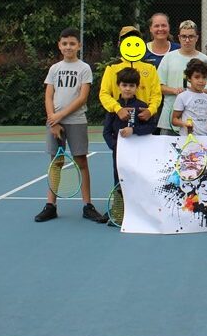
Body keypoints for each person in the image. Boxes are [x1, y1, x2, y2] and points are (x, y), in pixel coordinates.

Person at [35, 28, 101, 223]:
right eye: (64, 44)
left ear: (79, 46)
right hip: (54, 122)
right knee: (56, 162)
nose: (68, 47)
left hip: (76, 121)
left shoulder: (84, 68)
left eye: (72, 43)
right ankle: (50, 205)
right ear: (59, 45)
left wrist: (60, 116)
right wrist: (52, 120)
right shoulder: (54, 68)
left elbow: (82, 98)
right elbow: (48, 96)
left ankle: (87, 206)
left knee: (81, 162)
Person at [97, 66, 156, 224]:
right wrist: (116, 147)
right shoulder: (114, 107)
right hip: (119, 154)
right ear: (118, 86)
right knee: (119, 180)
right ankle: (118, 211)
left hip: (138, 153)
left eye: (131, 85)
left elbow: (151, 127)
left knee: (137, 180)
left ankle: (138, 212)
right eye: (124, 85)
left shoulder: (143, 106)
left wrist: (134, 130)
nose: (128, 89)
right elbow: (106, 132)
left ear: (137, 87)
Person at [99, 25, 162, 136]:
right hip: (120, 117)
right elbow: (104, 94)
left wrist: (150, 110)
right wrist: (118, 109)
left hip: (143, 119)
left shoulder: (150, 68)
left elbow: (156, 94)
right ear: (120, 44)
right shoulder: (112, 67)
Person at [157, 20, 207, 134]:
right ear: (179, 37)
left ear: (197, 38)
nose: (187, 40)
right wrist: (174, 91)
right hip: (169, 121)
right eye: (184, 36)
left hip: (196, 126)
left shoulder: (205, 60)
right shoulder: (168, 58)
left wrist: (191, 93)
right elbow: (158, 87)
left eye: (191, 36)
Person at [171, 59, 207, 136]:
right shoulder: (182, 96)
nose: (201, 81)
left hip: (206, 138)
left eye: (204, 77)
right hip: (187, 138)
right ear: (189, 78)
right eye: (197, 77)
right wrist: (184, 124)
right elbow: (174, 120)